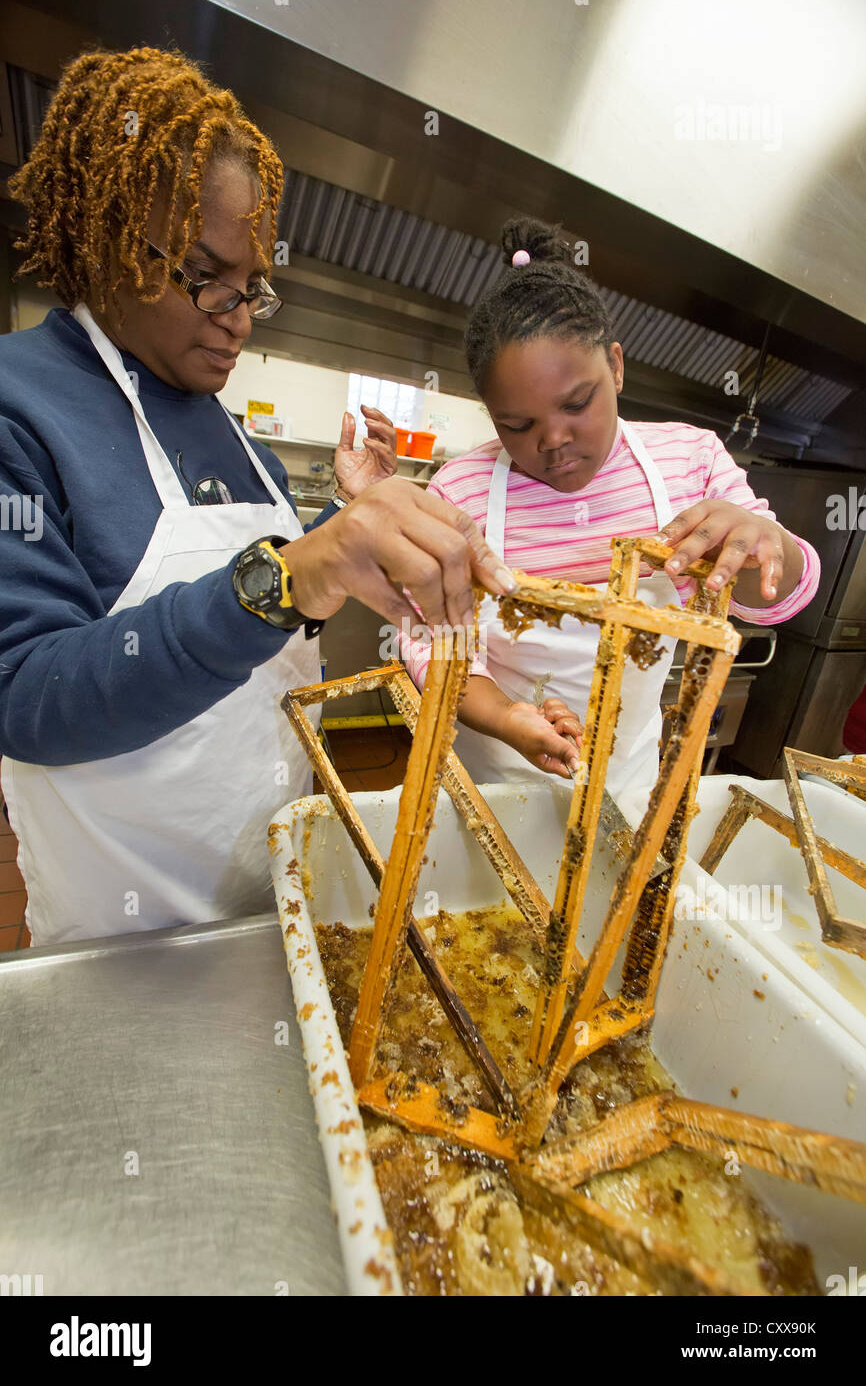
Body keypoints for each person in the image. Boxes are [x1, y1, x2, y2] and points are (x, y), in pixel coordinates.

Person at [0, 47, 514, 946]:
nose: (236, 314)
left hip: (269, 897)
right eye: (205, 275)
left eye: (254, 287)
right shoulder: (22, 406)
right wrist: (291, 572)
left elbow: (261, 604)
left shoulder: (227, 427)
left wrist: (338, 524)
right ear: (111, 238)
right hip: (123, 936)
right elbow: (25, 696)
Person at [399, 218, 820, 811]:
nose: (552, 440)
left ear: (616, 367)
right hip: (493, 780)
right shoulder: (459, 492)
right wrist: (505, 718)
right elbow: (427, 637)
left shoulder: (688, 460)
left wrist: (767, 541)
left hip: (627, 783)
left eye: (577, 403)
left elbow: (779, 596)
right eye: (516, 424)